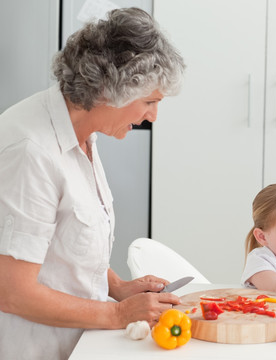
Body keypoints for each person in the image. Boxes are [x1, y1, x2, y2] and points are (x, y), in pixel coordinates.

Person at [0, 8, 185, 359]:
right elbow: (12, 292)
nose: (152, 116)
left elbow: (62, 243)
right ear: (110, 91)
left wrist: (118, 288)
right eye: (149, 101)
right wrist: (118, 314)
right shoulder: (32, 151)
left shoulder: (81, 135)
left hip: (81, 342)